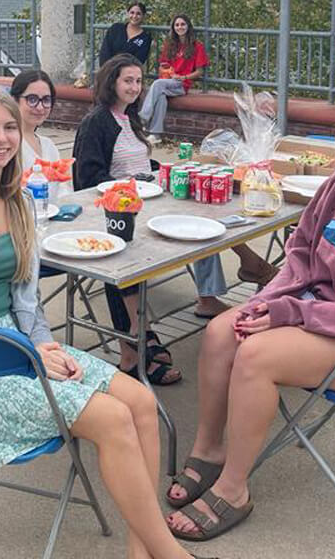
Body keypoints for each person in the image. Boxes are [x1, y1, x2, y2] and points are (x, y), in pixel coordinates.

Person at [0, 86, 212, 559]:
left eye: (9, 127)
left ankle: (143, 548)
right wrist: (29, 353)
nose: (0, 138)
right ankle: (170, 553)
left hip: (20, 345)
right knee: (113, 418)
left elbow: (27, 300)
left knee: (141, 402)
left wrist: (44, 345)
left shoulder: (17, 201)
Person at [163, 93, 335, 542]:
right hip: (323, 311)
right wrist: (268, 301)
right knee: (221, 331)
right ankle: (209, 450)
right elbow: (300, 252)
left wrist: (289, 312)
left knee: (256, 356)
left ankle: (233, 489)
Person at [73, 54, 277, 385]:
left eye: (138, 81)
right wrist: (129, 188)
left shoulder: (129, 118)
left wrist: (162, 172)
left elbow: (140, 165)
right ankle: (133, 346)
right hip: (114, 210)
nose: (135, 87)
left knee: (204, 209)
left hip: (147, 201)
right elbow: (87, 179)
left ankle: (239, 269)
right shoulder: (97, 121)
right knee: (121, 256)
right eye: (127, 81)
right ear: (111, 82)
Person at [140, 14, 208, 143]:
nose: (180, 27)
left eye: (182, 24)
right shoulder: (170, 44)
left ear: (188, 26)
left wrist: (183, 77)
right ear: (173, 28)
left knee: (158, 84)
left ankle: (142, 118)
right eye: (177, 25)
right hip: (168, 80)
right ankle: (155, 135)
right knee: (161, 97)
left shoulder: (197, 46)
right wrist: (166, 70)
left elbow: (200, 71)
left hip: (182, 83)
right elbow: (164, 64)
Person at [9, 68, 71, 199]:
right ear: (14, 100)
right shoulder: (8, 145)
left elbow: (63, 188)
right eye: (32, 99)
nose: (40, 107)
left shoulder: (49, 145)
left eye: (46, 100)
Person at [98, 1, 152, 66]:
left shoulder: (145, 38)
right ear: (128, 13)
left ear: (143, 16)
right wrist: (107, 69)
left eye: (138, 14)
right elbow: (105, 52)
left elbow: (139, 60)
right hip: (108, 69)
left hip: (129, 71)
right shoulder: (116, 28)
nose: (134, 16)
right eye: (132, 12)